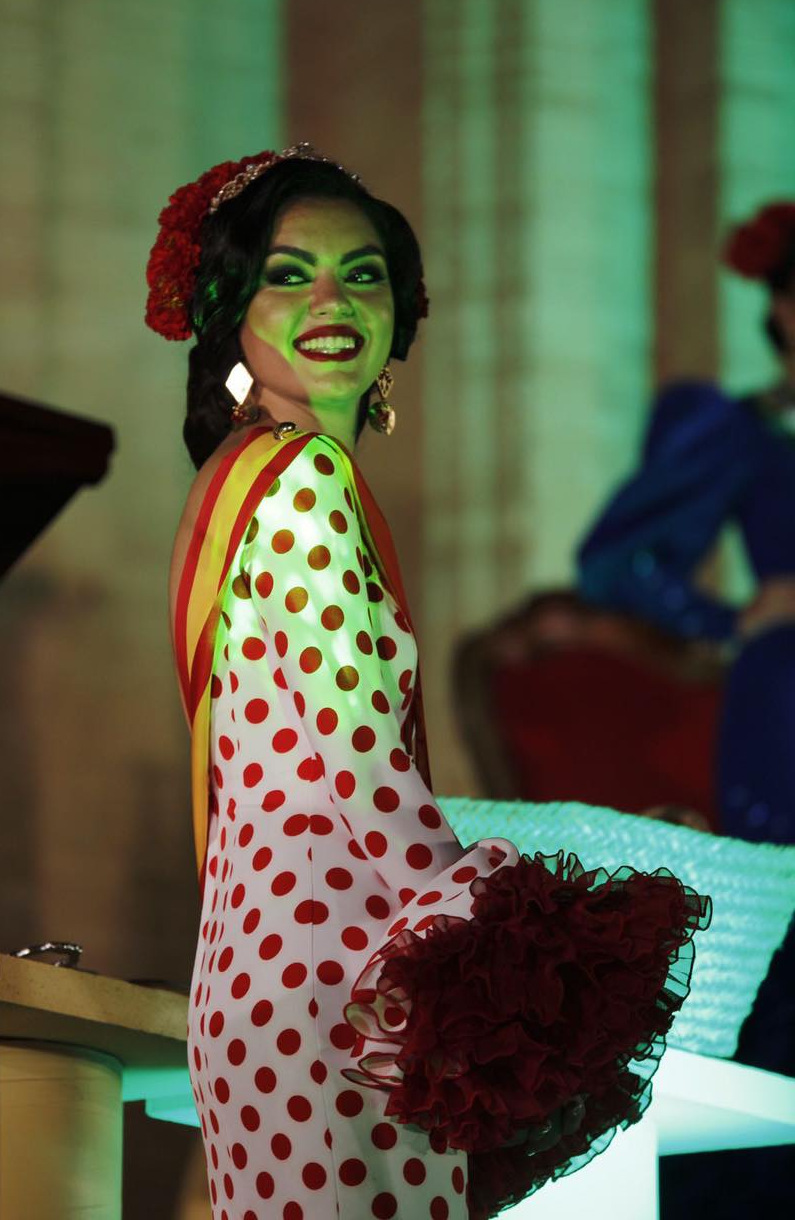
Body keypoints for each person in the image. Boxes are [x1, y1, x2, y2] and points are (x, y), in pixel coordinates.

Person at [149, 144, 709, 1220]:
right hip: (345, 979)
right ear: (229, 310)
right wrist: (506, 946)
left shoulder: (236, 475)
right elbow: (365, 775)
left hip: (266, 970)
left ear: (399, 313)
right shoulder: (303, 477)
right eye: (287, 273)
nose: (332, 301)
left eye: (362, 274)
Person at [576, 201, 795, 1216]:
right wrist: (729, 618)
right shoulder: (744, 431)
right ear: (781, 308)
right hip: (784, 711)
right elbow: (615, 560)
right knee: (782, 966)